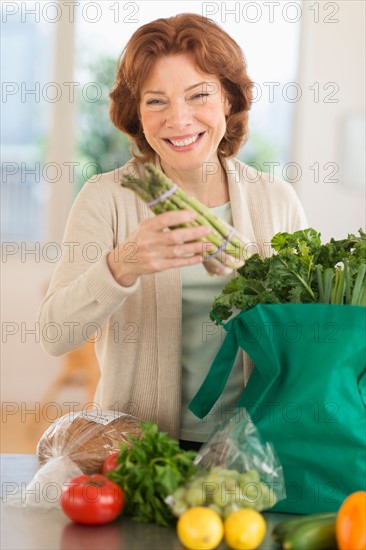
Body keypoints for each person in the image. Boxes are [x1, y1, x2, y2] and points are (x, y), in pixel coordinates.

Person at [38, 13, 307, 450]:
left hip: (254, 453)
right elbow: (55, 335)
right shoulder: (106, 197)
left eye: (198, 95)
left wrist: (252, 278)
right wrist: (123, 265)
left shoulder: (276, 199)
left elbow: (307, 339)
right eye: (156, 101)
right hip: (137, 452)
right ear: (137, 113)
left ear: (229, 101)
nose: (178, 119)